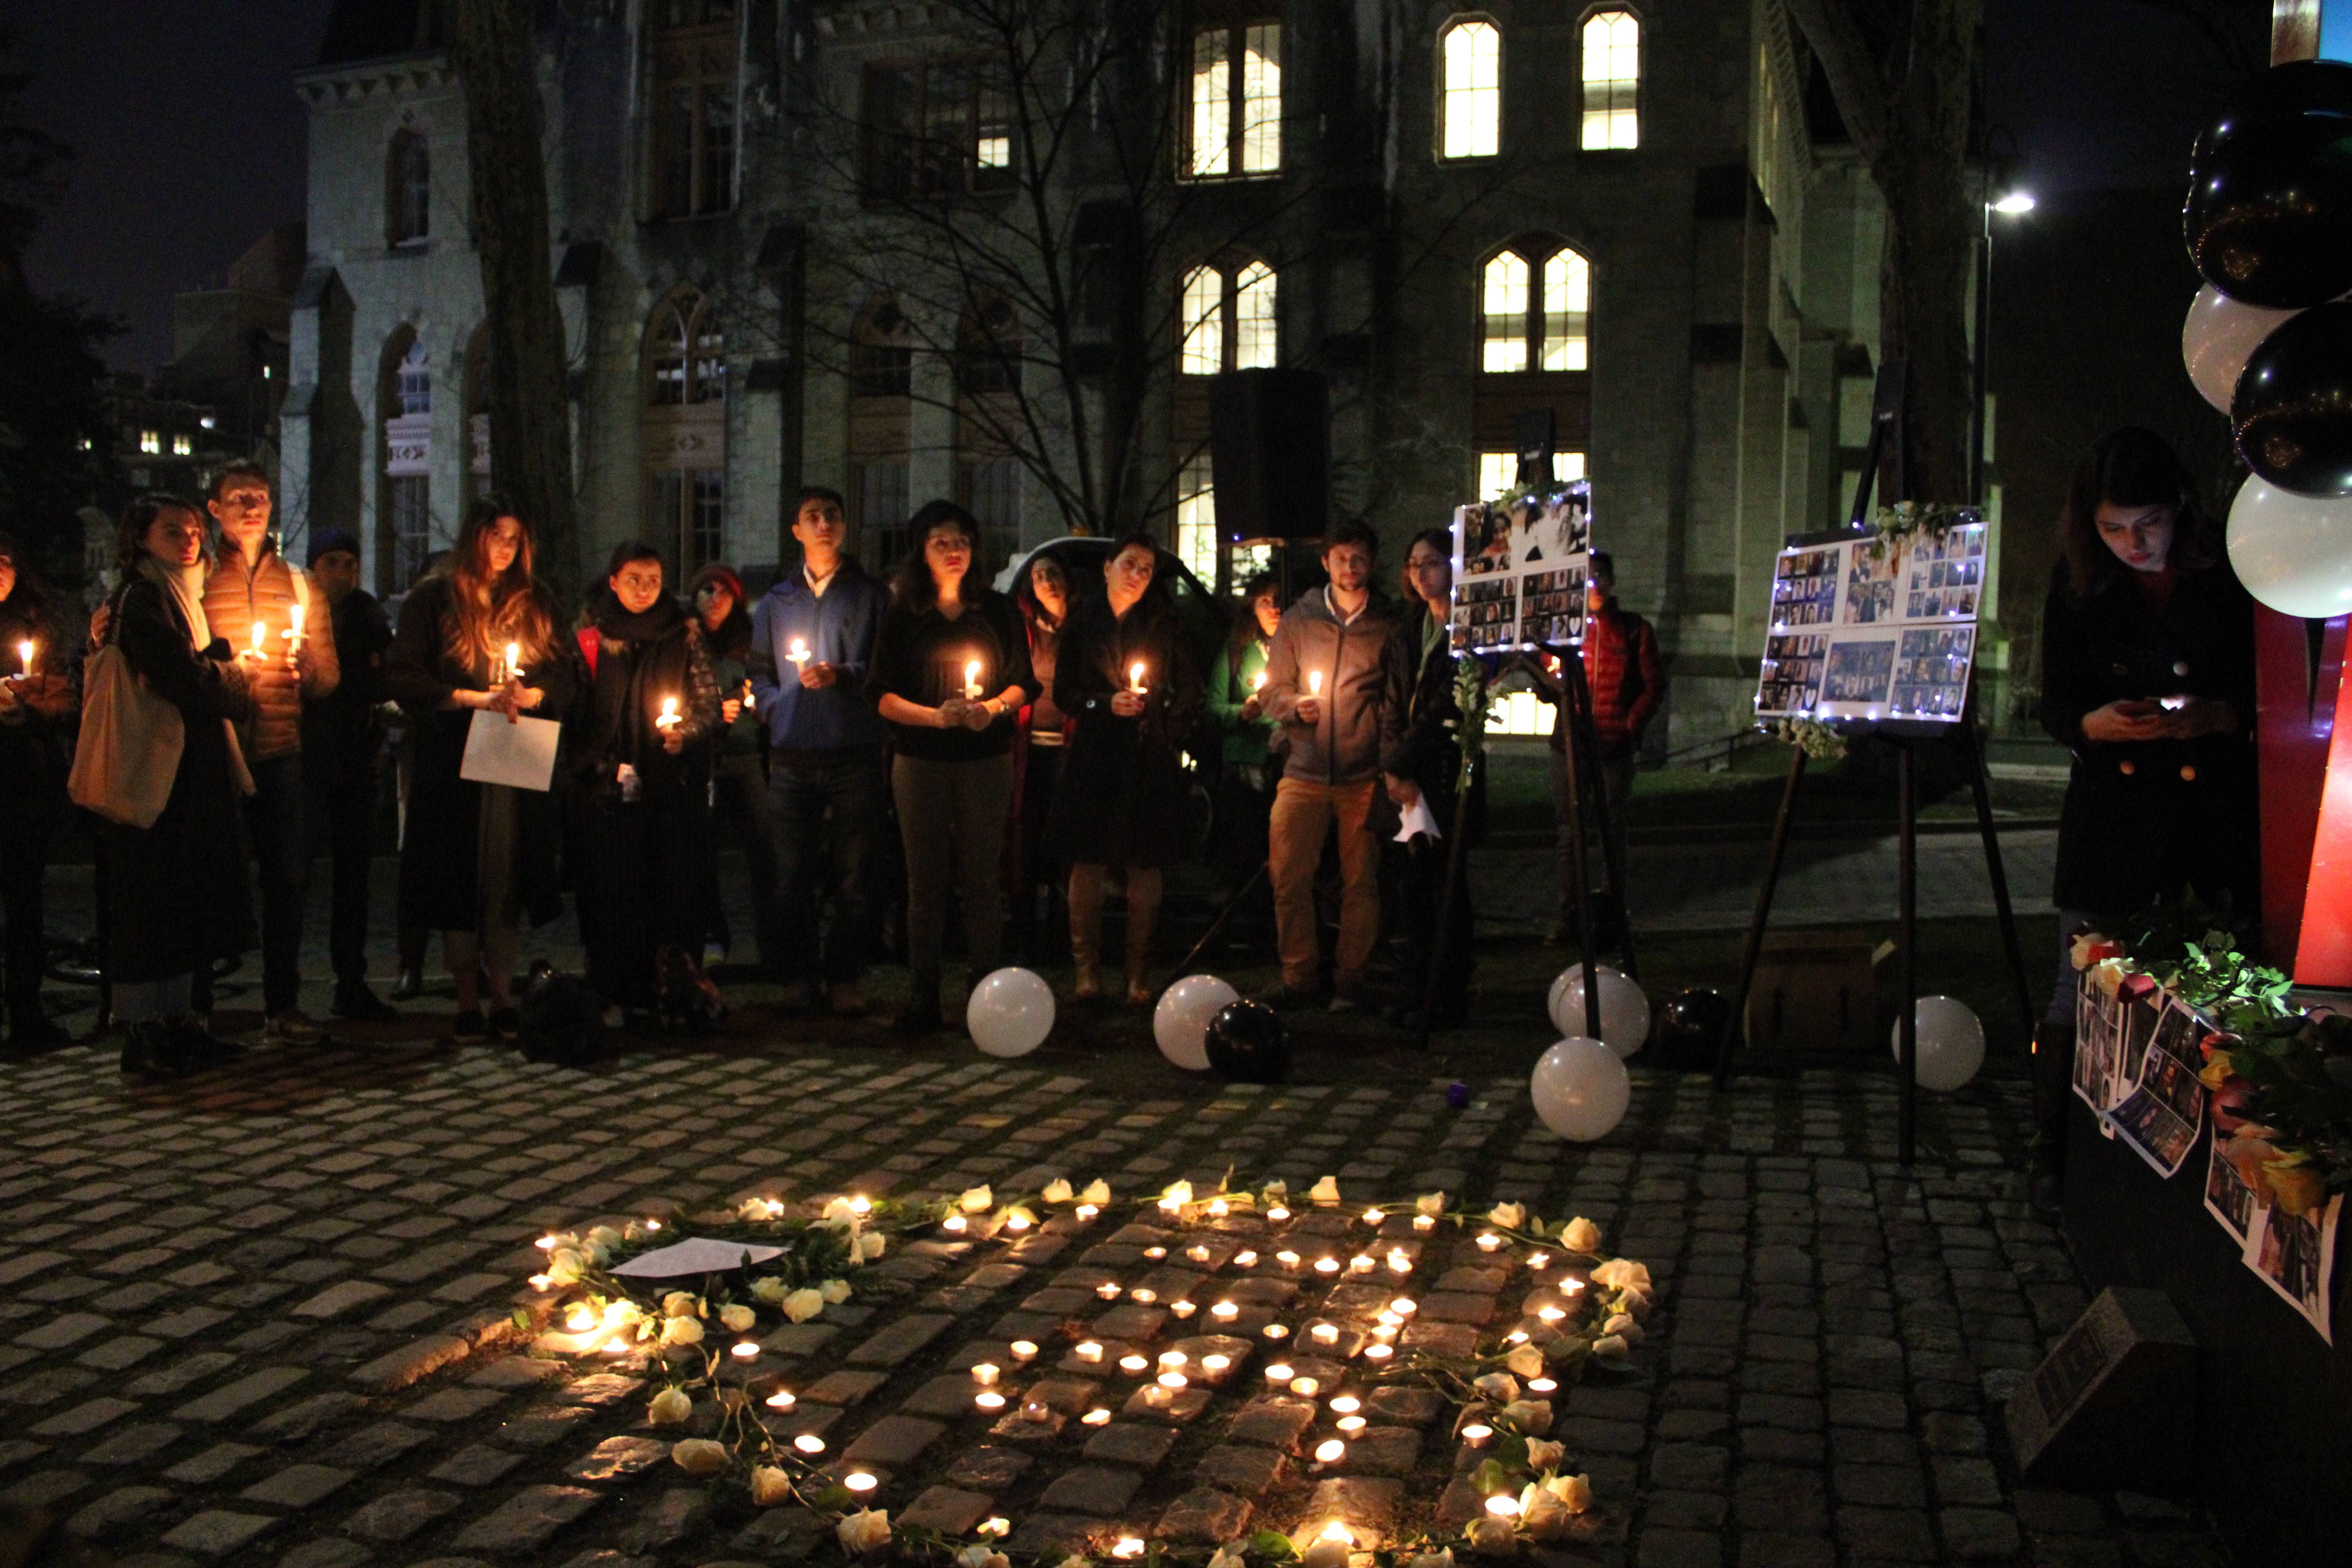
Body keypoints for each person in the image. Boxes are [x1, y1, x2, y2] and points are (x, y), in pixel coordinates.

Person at [2029, 427, 2256, 1207]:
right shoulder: (2078, 584)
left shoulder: (2232, 572)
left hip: (2207, 819)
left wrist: (2219, 717)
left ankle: (2196, 1175)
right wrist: (2096, 724)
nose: (2132, 543)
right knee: (2079, 987)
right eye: (2113, 527)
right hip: (2112, 819)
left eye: (2149, 524)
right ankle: (2056, 1154)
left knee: (2212, 990)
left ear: (2180, 510)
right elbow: (2056, 702)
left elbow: (2268, 693)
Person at [388, 497, 574, 1044]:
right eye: (496, 537)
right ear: (475, 539)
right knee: (456, 875)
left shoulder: (536, 603)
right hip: (454, 758)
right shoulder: (433, 602)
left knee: (507, 873)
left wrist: (534, 691)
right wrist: (470, 697)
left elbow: (566, 671)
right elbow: (405, 676)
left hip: (515, 751)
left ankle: (503, 994)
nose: (504, 549)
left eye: (514, 540)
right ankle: (466, 996)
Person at [93, 495, 255, 1077]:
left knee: (185, 900)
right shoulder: (141, 598)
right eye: (172, 531)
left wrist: (211, 664)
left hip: (186, 774)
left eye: (193, 530)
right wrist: (232, 676)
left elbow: (188, 666)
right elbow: (179, 675)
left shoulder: (182, 597)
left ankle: (183, 1024)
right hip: (154, 777)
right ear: (140, 539)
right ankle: (144, 1033)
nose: (188, 540)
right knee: (151, 903)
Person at [866, 501, 1037, 1034]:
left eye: (961, 540)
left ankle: (986, 990)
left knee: (983, 877)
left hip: (985, 761)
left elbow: (1023, 681)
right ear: (922, 550)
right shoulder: (903, 617)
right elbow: (881, 694)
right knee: (926, 880)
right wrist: (933, 719)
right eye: (941, 542)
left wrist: (993, 709)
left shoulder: (998, 612)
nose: (954, 550)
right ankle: (924, 991)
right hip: (921, 763)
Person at [201, 460, 341, 1044]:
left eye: (259, 496)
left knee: (288, 880)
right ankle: (200, 1006)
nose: (252, 507)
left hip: (283, 750)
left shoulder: (301, 585)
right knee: (213, 880)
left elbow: (329, 677)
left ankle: (282, 1003)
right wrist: (230, 672)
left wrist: (308, 669)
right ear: (217, 509)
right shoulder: (200, 581)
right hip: (221, 750)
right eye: (239, 498)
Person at [749, 486, 893, 1016]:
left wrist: (844, 674)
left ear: (845, 526)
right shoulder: (778, 600)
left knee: (856, 873)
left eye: (833, 515)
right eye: (813, 516)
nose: (824, 524)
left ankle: (847, 975)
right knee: (791, 875)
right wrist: (772, 709)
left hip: (853, 749)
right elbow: (760, 670)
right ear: (797, 530)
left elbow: (884, 666)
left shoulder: (870, 595)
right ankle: (798, 976)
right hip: (792, 754)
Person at [571, 543, 722, 1018]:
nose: (644, 589)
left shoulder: (682, 633)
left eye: (654, 580)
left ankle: (670, 987)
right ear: (613, 581)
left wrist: (687, 734)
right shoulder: (591, 637)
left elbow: (708, 703)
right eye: (634, 579)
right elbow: (575, 709)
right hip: (607, 789)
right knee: (614, 893)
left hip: (669, 789)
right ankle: (616, 990)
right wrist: (597, 760)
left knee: (670, 890)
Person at [1050, 533, 1202, 1003]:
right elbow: (1064, 693)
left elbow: (1189, 687)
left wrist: (1163, 728)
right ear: (1108, 567)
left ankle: (1138, 972)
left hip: (1146, 753)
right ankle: (1087, 971)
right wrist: (1101, 702)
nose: (1138, 575)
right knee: (1088, 858)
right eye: (1130, 564)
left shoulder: (1163, 622)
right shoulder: (1083, 622)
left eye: (1146, 569)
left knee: (1144, 860)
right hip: (1095, 753)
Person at [1258, 520, 1398, 1011]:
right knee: (1289, 875)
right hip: (1305, 770)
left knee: (1361, 882)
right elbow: (1271, 688)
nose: (1350, 569)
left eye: (1359, 559)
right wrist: (1295, 706)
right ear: (1326, 563)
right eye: (1341, 559)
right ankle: (1299, 975)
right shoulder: (1300, 620)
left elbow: (1394, 696)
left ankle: (1350, 979)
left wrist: (1382, 749)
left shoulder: (1387, 622)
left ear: (1372, 564)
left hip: (1363, 776)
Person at [1381, 529, 1484, 1030]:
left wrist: (1400, 761)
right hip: (1405, 780)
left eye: (1434, 563)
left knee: (1447, 886)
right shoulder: (1408, 629)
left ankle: (1449, 992)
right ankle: (1416, 988)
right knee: (1412, 890)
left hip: (1443, 774)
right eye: (1414, 563)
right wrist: (1392, 768)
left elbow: (1446, 708)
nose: (1422, 574)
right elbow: (1392, 703)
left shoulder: (1469, 631)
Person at [299, 528, 398, 1022]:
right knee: (294, 875)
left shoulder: (369, 615)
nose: (342, 573)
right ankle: (288, 985)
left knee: (353, 878)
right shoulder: (300, 611)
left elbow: (386, 675)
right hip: (310, 755)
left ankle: (351, 978)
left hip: (357, 758)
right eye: (332, 562)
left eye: (350, 564)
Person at [1541, 549, 1660, 944]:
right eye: (1585, 576)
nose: (1592, 583)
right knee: (1570, 833)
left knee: (1612, 833)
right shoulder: (1564, 628)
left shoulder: (1633, 629)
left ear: (1611, 582)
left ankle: (1610, 916)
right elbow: (1547, 682)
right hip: (1570, 746)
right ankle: (1569, 915)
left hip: (1613, 747)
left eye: (1599, 576)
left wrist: (1631, 723)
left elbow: (1653, 685)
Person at [0, 534, 80, 1047]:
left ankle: (27, 1012)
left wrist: (27, 708)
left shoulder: (35, 623)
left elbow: (64, 697)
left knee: (24, 903)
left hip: (22, 782)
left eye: (3, 561)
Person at [689, 563, 779, 974]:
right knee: (702, 852)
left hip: (745, 757)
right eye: (706, 590)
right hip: (704, 760)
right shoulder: (688, 642)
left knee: (763, 847)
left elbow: (765, 692)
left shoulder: (751, 644)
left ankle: (771, 939)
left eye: (723, 591)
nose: (714, 599)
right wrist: (712, 715)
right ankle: (712, 936)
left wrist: (757, 706)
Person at [1206, 572, 1281, 944]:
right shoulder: (1237, 650)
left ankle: (1273, 923)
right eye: (1266, 601)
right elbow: (1214, 707)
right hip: (1244, 766)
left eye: (1280, 600)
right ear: (1252, 606)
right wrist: (1241, 713)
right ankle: (1238, 925)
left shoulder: (1294, 646)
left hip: (1284, 763)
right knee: (1243, 844)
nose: (1274, 609)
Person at [1008, 551, 1072, 964]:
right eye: (1037, 576)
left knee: (1065, 838)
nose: (1046, 581)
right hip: (1029, 752)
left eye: (1053, 573)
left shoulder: (1082, 629)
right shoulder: (1023, 628)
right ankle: (1024, 932)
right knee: (1025, 838)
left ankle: (1063, 931)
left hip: (1071, 750)